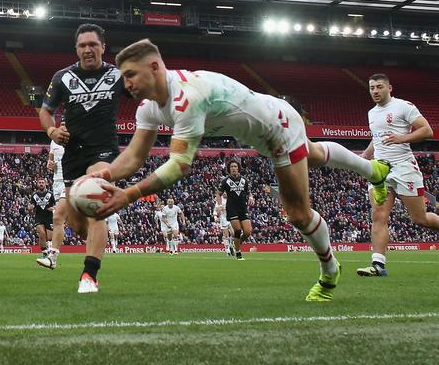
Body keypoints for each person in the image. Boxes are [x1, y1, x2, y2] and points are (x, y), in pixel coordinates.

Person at [91, 39, 391, 301]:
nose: (126, 83)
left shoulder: (187, 98)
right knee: (312, 154)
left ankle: (329, 270)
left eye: (131, 74)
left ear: (154, 67)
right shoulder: (149, 107)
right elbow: (133, 156)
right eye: (123, 76)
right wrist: (102, 176)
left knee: (297, 214)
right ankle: (373, 171)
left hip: (277, 129)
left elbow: (179, 166)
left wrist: (127, 195)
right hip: (262, 127)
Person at [36, 23, 124, 294]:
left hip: (103, 151)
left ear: (103, 47)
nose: (88, 49)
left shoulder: (117, 75)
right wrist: (52, 130)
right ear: (76, 49)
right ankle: (94, 238)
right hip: (72, 154)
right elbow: (45, 110)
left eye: (93, 44)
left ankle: (89, 275)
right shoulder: (63, 77)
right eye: (82, 45)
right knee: (76, 223)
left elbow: (147, 93)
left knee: (95, 204)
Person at [357, 73, 438, 277]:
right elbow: (377, 139)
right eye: (372, 87)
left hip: (403, 167)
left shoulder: (404, 106)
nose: (375, 91)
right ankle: (378, 265)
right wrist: (365, 156)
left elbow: (427, 131)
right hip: (380, 169)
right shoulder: (371, 113)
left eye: (379, 87)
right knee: (378, 215)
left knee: (420, 219)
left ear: (389, 88)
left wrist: (402, 138)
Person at [36, 136, 65, 266]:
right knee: (59, 219)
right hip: (57, 183)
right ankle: (52, 258)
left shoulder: (76, 136)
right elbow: (50, 160)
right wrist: (50, 164)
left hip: (69, 181)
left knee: (59, 218)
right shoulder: (54, 141)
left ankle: (52, 257)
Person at [218, 160, 254, 260]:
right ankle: (238, 253)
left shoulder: (244, 180)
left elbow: (248, 191)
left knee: (247, 232)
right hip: (232, 208)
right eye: (232, 167)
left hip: (243, 208)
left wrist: (251, 197)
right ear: (229, 169)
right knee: (237, 230)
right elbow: (218, 193)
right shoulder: (225, 181)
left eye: (235, 166)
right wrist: (220, 205)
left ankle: (234, 244)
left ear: (238, 168)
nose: (234, 168)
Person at [30, 178, 55, 257]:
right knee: (42, 234)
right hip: (39, 217)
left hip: (49, 217)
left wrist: (53, 208)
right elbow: (31, 205)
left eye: (42, 182)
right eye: (39, 182)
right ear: (37, 184)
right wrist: (30, 207)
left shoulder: (50, 194)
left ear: (45, 184)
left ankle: (49, 250)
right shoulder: (34, 195)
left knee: (49, 237)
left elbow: (55, 205)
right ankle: (44, 252)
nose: (41, 184)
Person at [213, 189, 234, 257]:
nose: (225, 194)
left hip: (231, 218)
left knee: (234, 233)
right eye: (224, 193)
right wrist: (215, 217)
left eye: (226, 192)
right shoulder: (220, 200)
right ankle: (227, 249)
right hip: (223, 219)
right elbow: (216, 210)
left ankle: (231, 246)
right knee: (226, 236)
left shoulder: (231, 199)